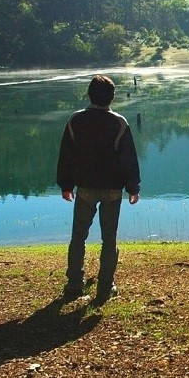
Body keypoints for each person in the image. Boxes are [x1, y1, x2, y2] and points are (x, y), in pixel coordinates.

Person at [57, 75, 141, 304]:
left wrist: (66, 185)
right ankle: (105, 287)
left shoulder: (75, 120)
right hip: (112, 189)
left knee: (78, 237)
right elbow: (128, 159)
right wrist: (133, 187)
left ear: (89, 95)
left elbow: (67, 156)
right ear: (112, 97)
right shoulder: (119, 122)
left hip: (84, 188)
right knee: (109, 239)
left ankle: (75, 284)